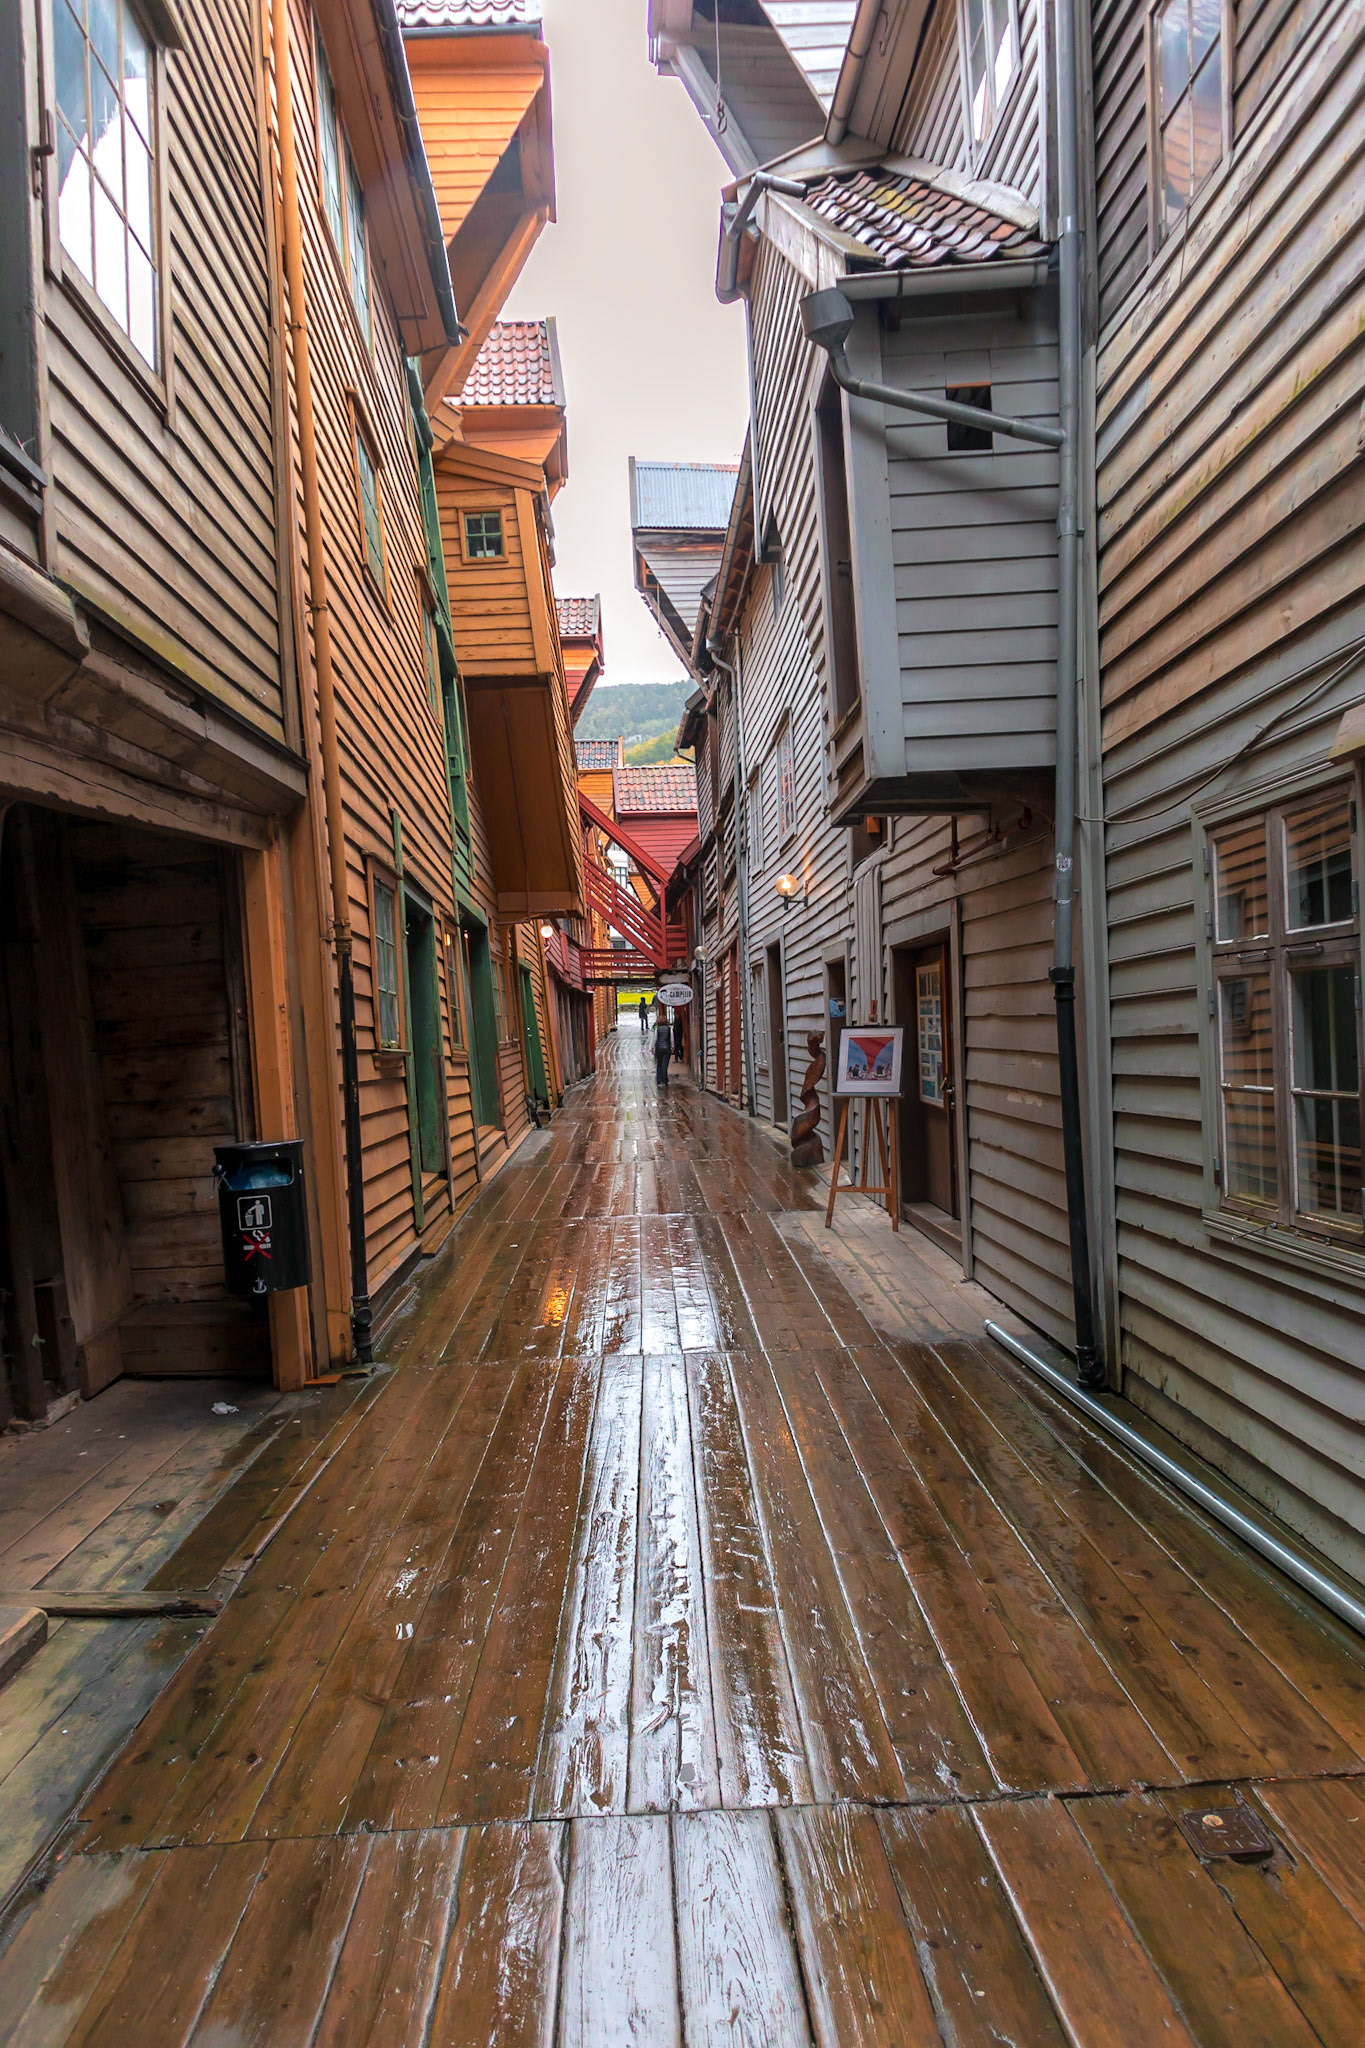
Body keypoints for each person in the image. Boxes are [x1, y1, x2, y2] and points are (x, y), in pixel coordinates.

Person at [653, 1010, 673, 1089]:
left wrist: (652, 1047)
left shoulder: (657, 1029)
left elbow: (655, 1039)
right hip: (667, 1049)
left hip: (659, 1049)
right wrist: (672, 1047)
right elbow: (671, 1039)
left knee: (659, 1065)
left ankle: (659, 1080)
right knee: (665, 1065)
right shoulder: (669, 1029)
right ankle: (665, 1080)